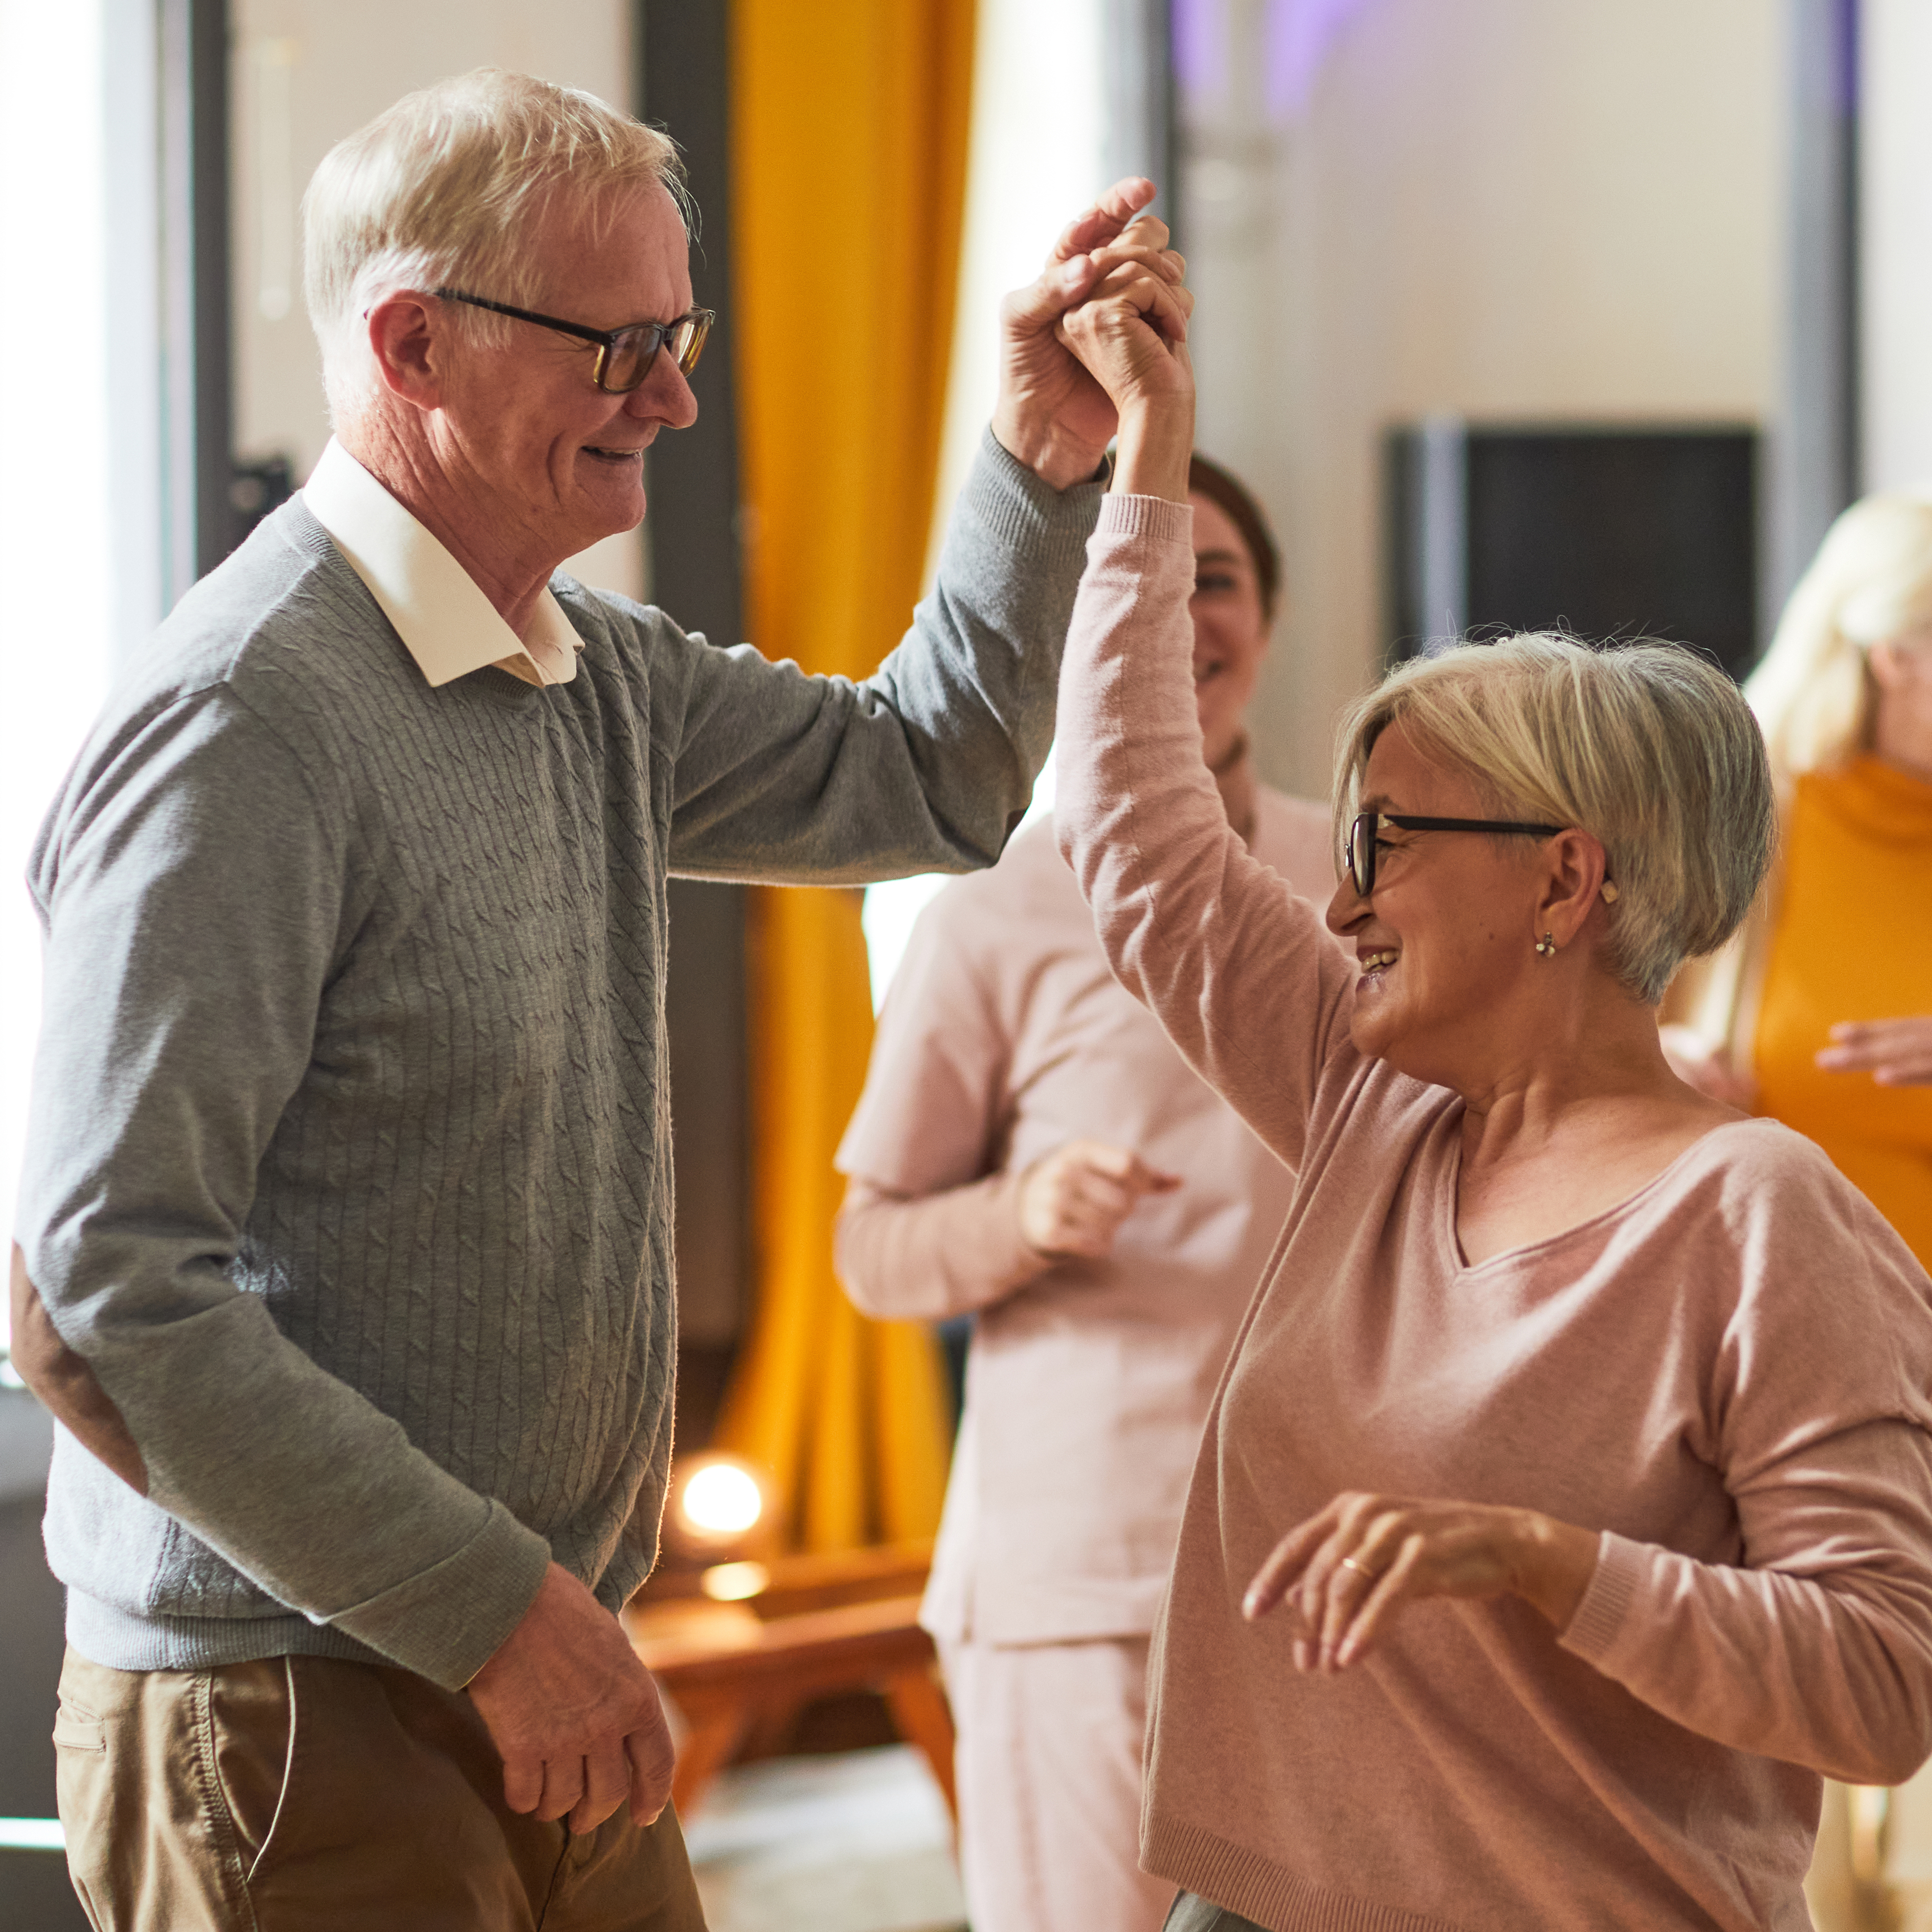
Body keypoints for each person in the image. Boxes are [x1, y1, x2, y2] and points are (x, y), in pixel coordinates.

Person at [6, 68, 1189, 1931]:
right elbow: (99, 1291)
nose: (676, 398)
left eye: (680, 336)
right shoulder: (243, 721)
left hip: (526, 1656)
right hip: (298, 1703)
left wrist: (1035, 457)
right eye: (620, 346)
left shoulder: (594, 673)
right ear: (414, 343)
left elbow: (931, 778)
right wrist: (496, 1613)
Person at [1035, 261, 1932, 1930]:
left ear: (1563, 880)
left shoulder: (1757, 1213)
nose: (1339, 900)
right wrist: (1144, 460)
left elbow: (1882, 1680)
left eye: (1384, 842)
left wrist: (1545, 1562)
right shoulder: (1368, 1101)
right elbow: (1139, 832)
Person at [835, 454, 1333, 1932]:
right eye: (1140, 580)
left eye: (1214, 580)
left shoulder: (1362, 879)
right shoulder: (993, 905)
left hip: (1335, 1565)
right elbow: (872, 1248)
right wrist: (1024, 1213)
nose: (1180, 615)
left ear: (1268, 620)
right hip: (1086, 1577)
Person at [1663, 494, 1932, 1928]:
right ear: (1892, 655)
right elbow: (1567, 1036)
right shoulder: (1741, 828)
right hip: (1784, 1389)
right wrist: (1660, 1065)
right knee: (1793, 1832)